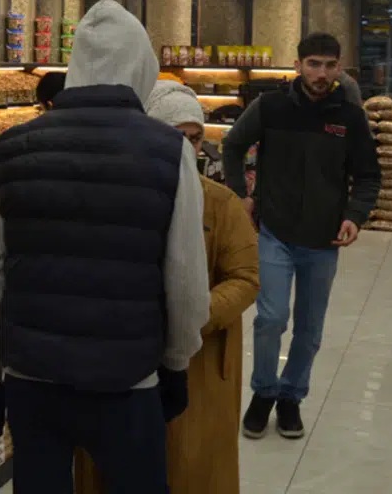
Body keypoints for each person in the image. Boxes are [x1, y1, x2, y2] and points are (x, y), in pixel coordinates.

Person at [0, 0, 210, 494]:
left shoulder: (14, 146)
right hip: (127, 381)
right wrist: (178, 361)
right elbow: (185, 278)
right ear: (141, 66)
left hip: (32, 380)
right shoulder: (169, 151)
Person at [75, 80, 260, 494]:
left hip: (199, 362)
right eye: (176, 136)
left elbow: (245, 278)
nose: (186, 149)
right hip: (124, 358)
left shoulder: (220, 203)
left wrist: (192, 313)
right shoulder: (117, 196)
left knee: (192, 464)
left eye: (194, 138)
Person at [222, 32, 381, 440]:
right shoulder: (270, 106)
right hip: (274, 232)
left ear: (339, 68)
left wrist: (355, 216)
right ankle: (263, 393)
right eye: (313, 64)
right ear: (298, 66)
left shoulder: (350, 117)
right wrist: (241, 195)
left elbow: (368, 175)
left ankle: (291, 397)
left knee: (309, 330)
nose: (321, 73)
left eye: (329, 65)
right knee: (271, 318)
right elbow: (232, 145)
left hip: (323, 240)